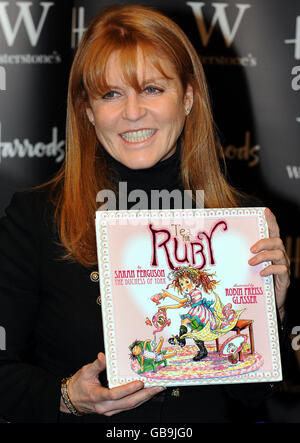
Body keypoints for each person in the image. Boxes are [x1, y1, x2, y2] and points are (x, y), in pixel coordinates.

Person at [0, 4, 290, 423]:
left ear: (187, 98)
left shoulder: (237, 221)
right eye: (111, 94)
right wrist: (65, 398)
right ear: (87, 110)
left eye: (152, 89)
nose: (132, 112)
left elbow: (253, 394)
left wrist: (271, 312)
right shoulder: (37, 217)